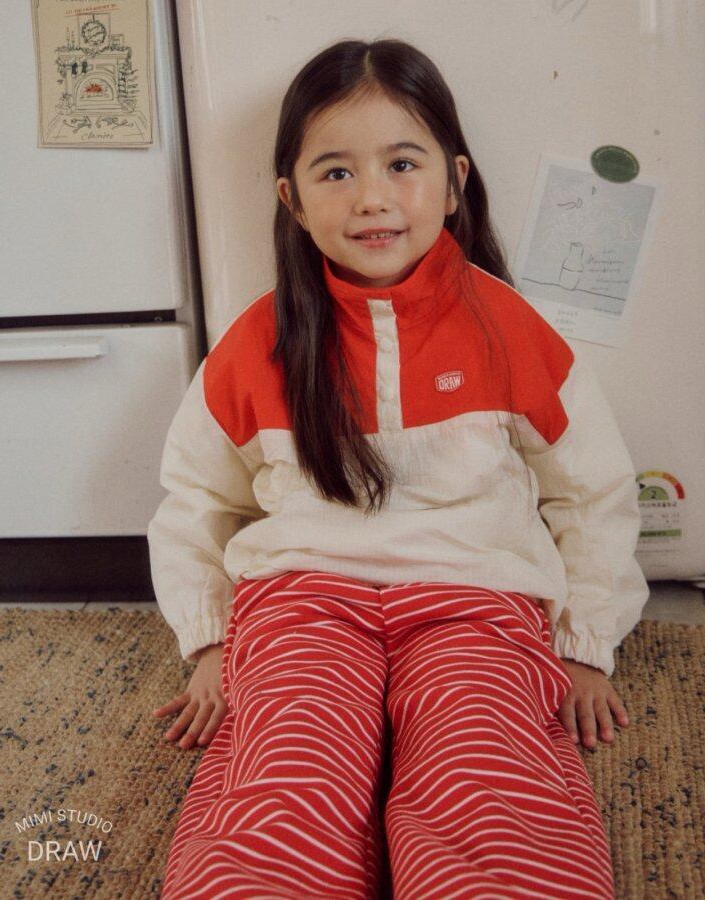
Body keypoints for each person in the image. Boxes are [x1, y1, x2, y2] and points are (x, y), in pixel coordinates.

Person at [147, 37, 648, 900]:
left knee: (484, 769)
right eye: (336, 172)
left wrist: (586, 642)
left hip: (478, 602)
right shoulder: (256, 343)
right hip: (302, 601)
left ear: (454, 184)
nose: (372, 197)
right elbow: (195, 498)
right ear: (291, 199)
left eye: (402, 164)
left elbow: (592, 490)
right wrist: (211, 638)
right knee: (291, 767)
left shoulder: (511, 328)